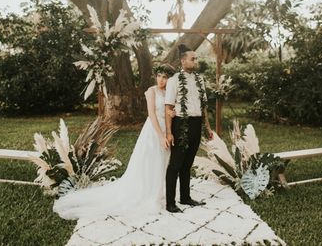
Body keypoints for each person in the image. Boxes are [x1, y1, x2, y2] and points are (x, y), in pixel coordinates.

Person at [53, 64, 176, 220]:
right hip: (153, 131)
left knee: (162, 162)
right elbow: (151, 114)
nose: (161, 80)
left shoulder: (170, 93)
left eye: (165, 77)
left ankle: (159, 192)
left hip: (167, 129)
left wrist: (172, 118)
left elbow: (170, 111)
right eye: (159, 76)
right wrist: (160, 135)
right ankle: (146, 193)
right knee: (148, 161)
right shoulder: (151, 91)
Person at [164, 44, 213, 213]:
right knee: (176, 163)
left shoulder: (200, 80)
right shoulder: (174, 80)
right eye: (193, 58)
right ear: (183, 61)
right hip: (180, 123)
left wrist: (207, 127)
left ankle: (185, 197)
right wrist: (169, 132)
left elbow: (204, 106)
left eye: (196, 58)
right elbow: (168, 107)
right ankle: (170, 203)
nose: (195, 61)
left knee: (188, 163)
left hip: (196, 123)